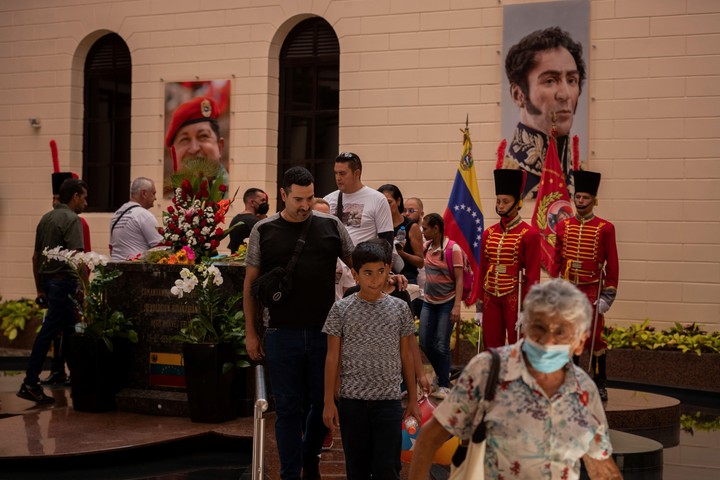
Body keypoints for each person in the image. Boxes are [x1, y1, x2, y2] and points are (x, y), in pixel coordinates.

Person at [408, 279, 622, 480]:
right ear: (526, 326)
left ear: (580, 342)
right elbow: (430, 437)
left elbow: (600, 466)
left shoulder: (584, 390)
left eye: (561, 333)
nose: (548, 341)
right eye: (539, 328)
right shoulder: (488, 370)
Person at [243, 167, 354, 480]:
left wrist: (388, 274)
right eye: (297, 199)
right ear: (282, 194)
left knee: (323, 405)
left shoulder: (331, 226)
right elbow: (249, 286)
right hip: (281, 333)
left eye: (309, 198)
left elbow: (358, 262)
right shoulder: (263, 231)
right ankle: (291, 473)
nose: (305, 205)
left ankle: (311, 461)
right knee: (289, 408)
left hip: (324, 334)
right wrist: (251, 333)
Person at [322, 239, 420, 480]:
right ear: (355, 274)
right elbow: (332, 356)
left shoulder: (399, 308)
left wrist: (413, 397)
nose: (374, 279)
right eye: (367, 273)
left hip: (388, 399)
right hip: (352, 400)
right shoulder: (341, 310)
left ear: (388, 270)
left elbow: (407, 353)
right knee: (357, 466)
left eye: (380, 272)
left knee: (388, 466)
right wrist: (328, 401)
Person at [17, 178, 88, 404]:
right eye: (84, 197)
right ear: (75, 196)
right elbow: (77, 257)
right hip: (65, 284)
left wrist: (39, 288)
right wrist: (85, 288)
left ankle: (80, 382)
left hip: (48, 283)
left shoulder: (45, 218)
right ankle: (30, 382)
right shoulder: (72, 218)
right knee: (51, 333)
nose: (86, 203)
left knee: (72, 332)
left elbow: (35, 257)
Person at [551, 170, 619, 402]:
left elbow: (613, 265)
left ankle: (600, 382)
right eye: (577, 197)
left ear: (594, 200)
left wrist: (607, 297)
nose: (580, 202)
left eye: (585, 198)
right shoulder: (562, 227)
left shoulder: (605, 228)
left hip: (592, 289)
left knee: (595, 338)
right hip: (569, 287)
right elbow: (556, 260)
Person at [502, 27, 586, 200]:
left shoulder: (580, 177)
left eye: (572, 80)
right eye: (550, 81)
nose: (565, 94)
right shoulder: (509, 177)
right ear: (518, 94)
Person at [480, 168, 541, 349]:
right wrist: (478, 306)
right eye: (498, 201)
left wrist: (528, 309)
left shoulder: (529, 234)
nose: (500, 206)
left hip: (515, 295)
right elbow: (482, 269)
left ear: (517, 203)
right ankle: (495, 377)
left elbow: (533, 274)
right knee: (491, 344)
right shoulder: (488, 233)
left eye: (505, 202)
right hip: (491, 294)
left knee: (518, 346)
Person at [418, 213, 463, 400]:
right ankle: (445, 372)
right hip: (429, 301)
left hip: (447, 302)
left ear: (436, 228)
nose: (423, 231)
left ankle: (443, 383)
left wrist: (457, 306)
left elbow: (460, 279)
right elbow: (417, 262)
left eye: (426, 228)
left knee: (441, 344)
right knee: (424, 342)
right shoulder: (426, 247)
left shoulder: (453, 249)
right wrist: (402, 252)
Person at [323, 152, 394, 246]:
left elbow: (386, 239)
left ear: (357, 173)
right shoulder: (328, 200)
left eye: (342, 173)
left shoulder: (377, 199)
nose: (338, 178)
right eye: (336, 173)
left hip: (364, 259)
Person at [165, 96, 229, 195]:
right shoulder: (168, 200)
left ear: (220, 147)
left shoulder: (236, 194)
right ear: (172, 154)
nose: (194, 149)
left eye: (203, 136)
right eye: (185, 139)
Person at [378, 184, 424, 285]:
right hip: (383, 278)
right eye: (381, 203)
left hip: (407, 280)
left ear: (398, 201)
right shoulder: (377, 225)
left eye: (389, 202)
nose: (385, 206)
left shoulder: (411, 227)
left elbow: (420, 262)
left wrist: (401, 253)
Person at [109, 177, 162, 261]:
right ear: (144, 193)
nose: (155, 198)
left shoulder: (116, 214)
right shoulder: (145, 215)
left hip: (115, 271)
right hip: (136, 271)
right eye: (153, 193)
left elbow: (112, 249)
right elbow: (160, 248)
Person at [313, 198, 355, 301]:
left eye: (327, 216)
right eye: (318, 215)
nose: (323, 221)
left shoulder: (343, 259)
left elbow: (348, 293)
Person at [227, 188, 269, 253]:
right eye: (262, 200)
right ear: (252, 202)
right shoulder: (254, 222)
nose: (265, 203)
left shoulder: (235, 219)